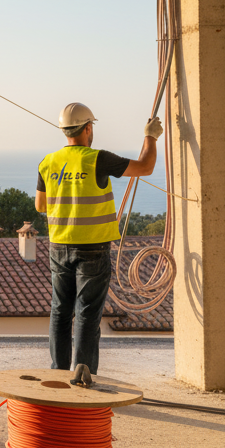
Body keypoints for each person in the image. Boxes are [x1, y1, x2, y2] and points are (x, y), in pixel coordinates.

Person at [36, 102, 161, 374]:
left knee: (60, 311)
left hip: (59, 247)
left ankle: (57, 372)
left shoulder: (48, 162)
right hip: (92, 248)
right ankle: (82, 375)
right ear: (88, 128)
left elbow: (40, 206)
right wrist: (150, 136)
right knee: (87, 313)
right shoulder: (97, 158)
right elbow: (145, 167)